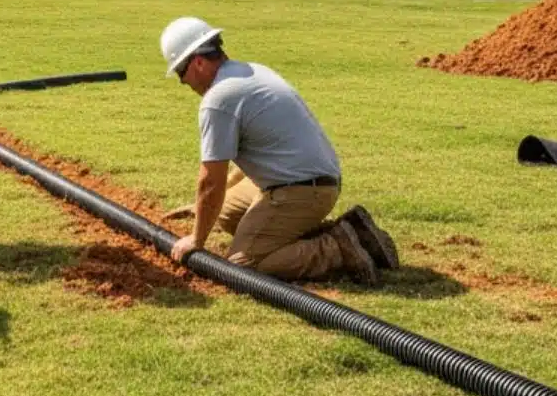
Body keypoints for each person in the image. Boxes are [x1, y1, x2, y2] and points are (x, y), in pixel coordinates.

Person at [159, 16, 399, 283]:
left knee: (245, 265)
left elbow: (210, 179)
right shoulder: (249, 72)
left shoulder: (219, 98)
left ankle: (337, 247)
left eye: (181, 73)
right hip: (309, 180)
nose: (183, 83)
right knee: (225, 213)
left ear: (198, 63)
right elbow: (242, 161)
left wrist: (196, 238)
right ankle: (342, 232)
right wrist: (203, 207)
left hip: (303, 189)